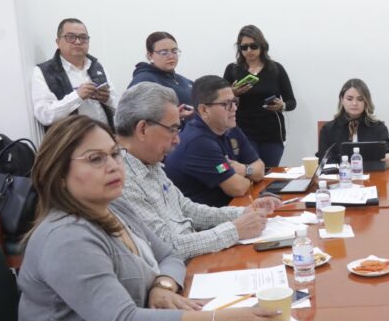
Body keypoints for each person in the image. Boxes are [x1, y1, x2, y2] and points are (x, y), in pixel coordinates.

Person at [8, 116, 284, 321]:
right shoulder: (67, 237)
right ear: (58, 175)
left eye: (114, 154)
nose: (113, 165)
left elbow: (169, 255)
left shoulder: (114, 207)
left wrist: (161, 285)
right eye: (96, 159)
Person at [116, 83, 282, 260]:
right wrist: (235, 230)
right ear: (142, 129)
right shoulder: (121, 179)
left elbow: (188, 209)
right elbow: (166, 246)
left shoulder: (150, 163)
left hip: (196, 256)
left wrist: (243, 213)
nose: (177, 140)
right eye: (172, 130)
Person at [165, 76, 266, 206]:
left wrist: (245, 170)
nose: (234, 108)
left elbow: (260, 168)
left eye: (234, 101)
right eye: (226, 104)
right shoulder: (198, 142)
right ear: (204, 110)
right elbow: (238, 188)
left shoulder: (230, 127)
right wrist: (250, 177)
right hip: (205, 216)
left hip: (231, 207)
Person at [223, 25, 296, 167]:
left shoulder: (276, 69)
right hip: (243, 131)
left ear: (262, 46)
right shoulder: (233, 70)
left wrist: (282, 106)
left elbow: (291, 102)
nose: (249, 51)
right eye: (244, 47)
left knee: (269, 173)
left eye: (253, 46)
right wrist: (233, 93)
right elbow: (220, 102)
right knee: (250, 173)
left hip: (272, 133)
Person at [31, 18, 119, 131]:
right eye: (70, 37)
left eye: (83, 37)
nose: (77, 42)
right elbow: (45, 115)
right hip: (72, 140)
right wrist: (77, 96)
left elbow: (119, 107)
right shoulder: (43, 72)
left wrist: (107, 99)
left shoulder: (97, 67)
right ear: (58, 42)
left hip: (105, 135)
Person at [317, 78, 389, 166]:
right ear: (342, 100)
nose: (354, 103)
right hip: (341, 174)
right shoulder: (328, 130)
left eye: (360, 99)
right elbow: (323, 160)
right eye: (349, 99)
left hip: (373, 173)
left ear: (366, 102)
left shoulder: (378, 127)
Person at [128, 31, 195, 116]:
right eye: (164, 53)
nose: (171, 56)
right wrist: (174, 118)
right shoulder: (143, 81)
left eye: (174, 51)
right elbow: (132, 116)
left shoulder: (186, 81)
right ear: (149, 55)